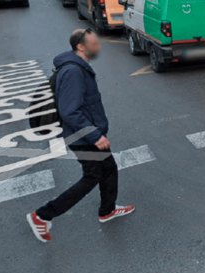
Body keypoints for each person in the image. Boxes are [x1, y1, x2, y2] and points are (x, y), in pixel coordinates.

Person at [26, 29, 135, 242]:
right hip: (83, 137)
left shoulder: (79, 68)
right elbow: (69, 111)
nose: (98, 47)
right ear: (81, 47)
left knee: (109, 169)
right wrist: (94, 136)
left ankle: (108, 210)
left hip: (87, 133)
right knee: (92, 177)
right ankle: (42, 215)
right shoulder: (73, 72)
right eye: (94, 44)